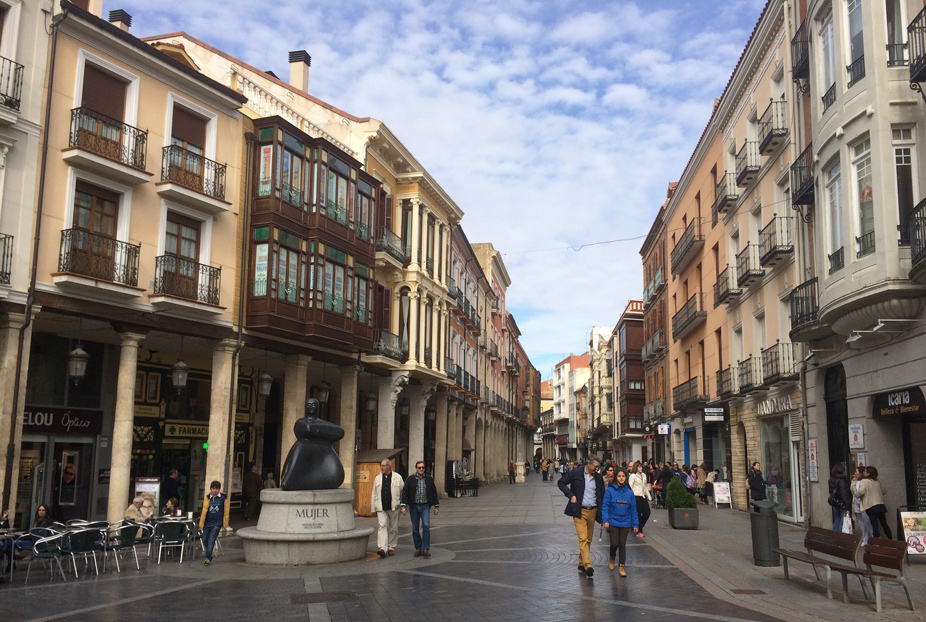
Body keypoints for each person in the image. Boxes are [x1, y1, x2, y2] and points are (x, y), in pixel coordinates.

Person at [558, 454, 604, 579]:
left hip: (593, 511)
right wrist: (571, 495)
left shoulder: (598, 478)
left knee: (588, 539)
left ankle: (581, 562)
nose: (597, 469)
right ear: (588, 464)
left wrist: (602, 514)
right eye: (596, 466)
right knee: (583, 538)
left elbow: (601, 496)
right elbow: (561, 482)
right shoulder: (576, 473)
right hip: (579, 511)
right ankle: (588, 565)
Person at [602, 468, 638, 576]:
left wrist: (635, 524)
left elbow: (633, 509)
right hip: (613, 521)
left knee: (622, 544)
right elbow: (605, 506)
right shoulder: (610, 490)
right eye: (619, 476)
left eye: (623, 476)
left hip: (625, 522)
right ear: (615, 477)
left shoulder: (629, 492)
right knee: (614, 544)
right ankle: (612, 557)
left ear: (626, 478)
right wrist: (606, 520)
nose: (621, 478)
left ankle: (621, 567)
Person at [400, 461, 439, 558]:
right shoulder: (410, 479)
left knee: (426, 526)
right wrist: (403, 506)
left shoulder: (429, 479)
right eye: (419, 467)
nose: (421, 469)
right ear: (416, 468)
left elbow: (434, 492)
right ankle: (418, 548)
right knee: (415, 528)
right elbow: (405, 492)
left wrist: (436, 506)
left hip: (425, 505)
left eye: (423, 467)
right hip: (414, 506)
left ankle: (425, 549)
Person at [371, 459, 404, 558]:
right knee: (382, 526)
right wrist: (373, 508)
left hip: (394, 507)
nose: (381, 467)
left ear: (389, 466)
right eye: (381, 465)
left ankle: (391, 547)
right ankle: (382, 548)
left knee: (393, 528)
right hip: (381, 507)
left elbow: (403, 491)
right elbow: (374, 493)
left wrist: (403, 505)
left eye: (383, 466)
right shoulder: (377, 478)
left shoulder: (397, 477)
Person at [198, 480, 229, 566]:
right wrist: (201, 522)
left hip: (217, 522)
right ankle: (210, 549)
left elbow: (226, 510)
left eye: (217, 489)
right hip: (207, 522)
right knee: (205, 539)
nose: (215, 490)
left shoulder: (223, 498)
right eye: (213, 488)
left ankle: (208, 558)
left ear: (219, 489)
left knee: (211, 539)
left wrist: (225, 521)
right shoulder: (207, 498)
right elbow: (204, 510)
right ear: (210, 489)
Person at [860, 466, 891, 539]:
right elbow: (884, 491)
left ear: (868, 473)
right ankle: (891, 539)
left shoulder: (864, 481)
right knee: (884, 524)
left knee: (875, 525)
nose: (863, 472)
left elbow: (861, 492)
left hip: (871, 505)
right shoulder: (877, 481)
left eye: (865, 471)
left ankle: (876, 543)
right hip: (880, 505)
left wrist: (855, 492)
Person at [851, 467, 874, 545]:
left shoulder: (865, 482)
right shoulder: (855, 482)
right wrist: (853, 484)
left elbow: (859, 493)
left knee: (868, 522)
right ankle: (865, 539)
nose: (855, 474)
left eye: (857, 472)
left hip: (864, 505)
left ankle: (874, 538)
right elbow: (853, 492)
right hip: (857, 504)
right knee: (861, 523)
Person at [629, 461, 651, 537]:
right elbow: (630, 487)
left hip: (643, 496)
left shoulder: (644, 475)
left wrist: (649, 496)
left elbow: (645, 486)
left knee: (647, 513)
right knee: (638, 514)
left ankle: (638, 526)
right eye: (639, 467)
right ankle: (639, 530)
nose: (641, 468)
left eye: (641, 467)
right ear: (636, 468)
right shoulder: (633, 476)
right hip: (636, 496)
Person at [827, 464, 851, 533]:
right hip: (842, 502)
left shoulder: (831, 479)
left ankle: (835, 534)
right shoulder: (842, 480)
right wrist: (847, 505)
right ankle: (840, 535)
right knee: (842, 519)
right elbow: (844, 493)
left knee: (836, 518)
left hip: (835, 502)